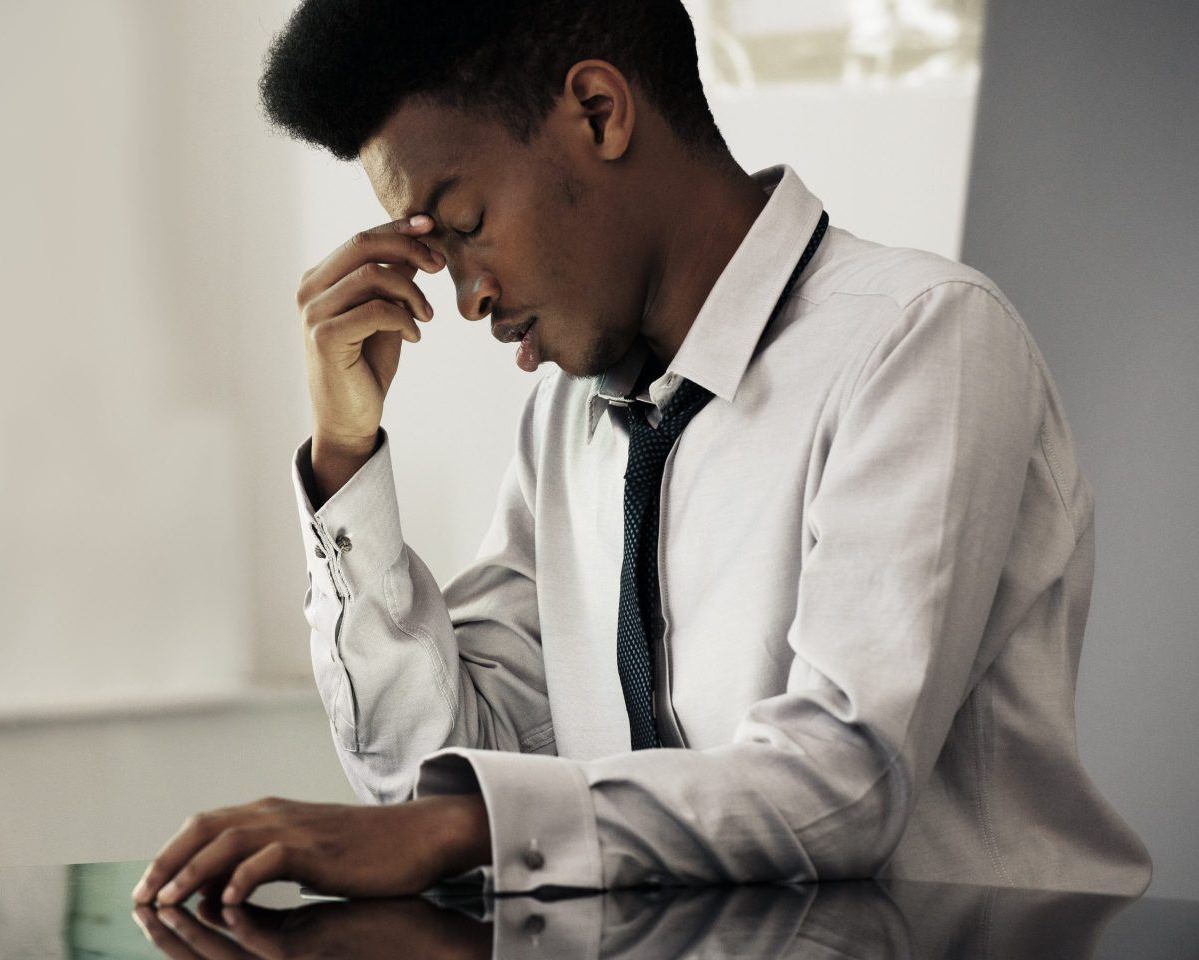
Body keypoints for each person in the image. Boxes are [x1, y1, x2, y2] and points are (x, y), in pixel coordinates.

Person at [132, 0, 1151, 908]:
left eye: (468, 225)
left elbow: (841, 783)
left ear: (598, 112)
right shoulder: (571, 418)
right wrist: (346, 459)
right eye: (438, 257)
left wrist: (461, 826)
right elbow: (433, 774)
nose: (470, 297)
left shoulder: (921, 339)